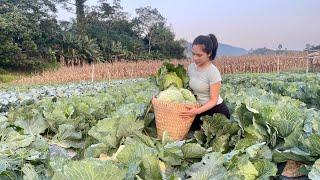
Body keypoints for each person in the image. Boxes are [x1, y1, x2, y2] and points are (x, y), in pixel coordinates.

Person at [179, 34, 230, 130]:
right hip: (198, 109)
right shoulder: (191, 68)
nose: (195, 58)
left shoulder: (213, 72)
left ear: (209, 53)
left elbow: (213, 100)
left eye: (199, 55)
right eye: (193, 53)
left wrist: (196, 111)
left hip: (215, 112)